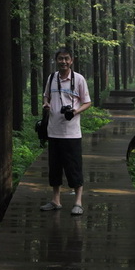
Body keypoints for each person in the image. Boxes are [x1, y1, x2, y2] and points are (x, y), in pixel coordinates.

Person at [40, 47, 91, 216]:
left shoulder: (79, 79)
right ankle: (56, 200)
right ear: (56, 60)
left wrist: (75, 112)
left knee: (74, 167)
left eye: (66, 59)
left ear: (71, 61)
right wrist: (46, 103)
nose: (63, 62)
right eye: (60, 59)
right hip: (53, 131)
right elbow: (45, 96)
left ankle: (78, 202)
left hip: (72, 133)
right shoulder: (52, 78)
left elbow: (87, 102)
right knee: (54, 167)